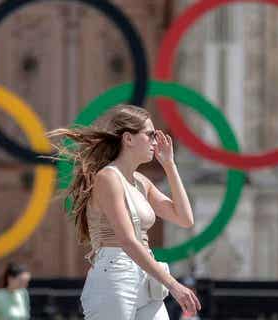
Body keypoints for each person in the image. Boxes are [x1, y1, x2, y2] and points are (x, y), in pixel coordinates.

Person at [48, 105, 202, 319]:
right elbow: (127, 240)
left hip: (146, 275)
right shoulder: (108, 178)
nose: (155, 142)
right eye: (150, 135)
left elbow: (185, 218)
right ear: (128, 139)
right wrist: (173, 285)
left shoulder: (141, 182)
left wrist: (170, 165)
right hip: (115, 274)